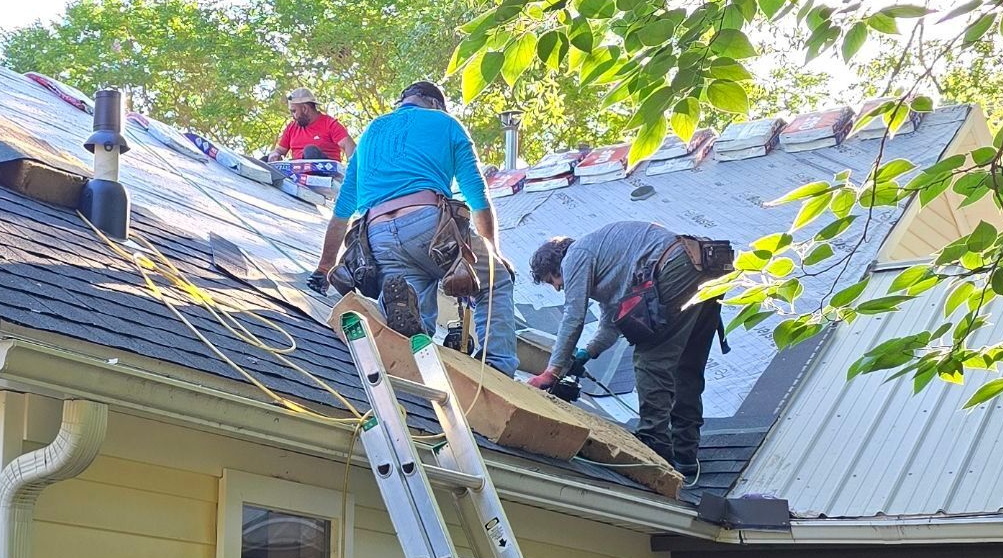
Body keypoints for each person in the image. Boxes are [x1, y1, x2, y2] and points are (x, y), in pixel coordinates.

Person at [309, 81, 518, 371]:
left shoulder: (371, 132)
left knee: (414, 320)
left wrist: (324, 267)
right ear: (435, 104)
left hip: (377, 238)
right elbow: (476, 196)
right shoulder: (444, 122)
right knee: (495, 282)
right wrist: (493, 255)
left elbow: (342, 209)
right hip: (429, 226)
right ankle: (498, 368)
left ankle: (414, 366)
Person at [526, 221, 722, 481]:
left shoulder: (575, 256)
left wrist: (552, 371)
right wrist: (586, 354)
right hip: (704, 266)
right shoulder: (606, 262)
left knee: (649, 360)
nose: (558, 287)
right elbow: (610, 325)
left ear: (556, 265)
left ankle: (656, 451)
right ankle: (686, 456)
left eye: (553, 280)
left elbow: (574, 315)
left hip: (676, 268)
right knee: (686, 367)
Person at [272, 90, 352, 181]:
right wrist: (275, 154)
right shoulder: (291, 127)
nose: (292, 116)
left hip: (325, 175)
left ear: (305, 109)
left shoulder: (329, 124)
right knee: (265, 160)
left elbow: (349, 145)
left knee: (310, 151)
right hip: (297, 175)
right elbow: (280, 150)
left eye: (294, 111)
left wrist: (353, 173)